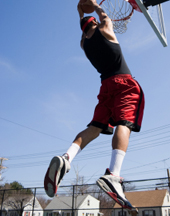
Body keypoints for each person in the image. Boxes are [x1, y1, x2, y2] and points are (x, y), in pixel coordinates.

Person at [44, 0, 145, 210]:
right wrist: (95, 6)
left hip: (105, 87)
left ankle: (66, 158)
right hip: (124, 83)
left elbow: (84, 26)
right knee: (124, 124)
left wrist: (81, 11)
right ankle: (113, 175)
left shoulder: (84, 45)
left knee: (94, 129)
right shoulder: (105, 28)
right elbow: (105, 17)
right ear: (95, 22)